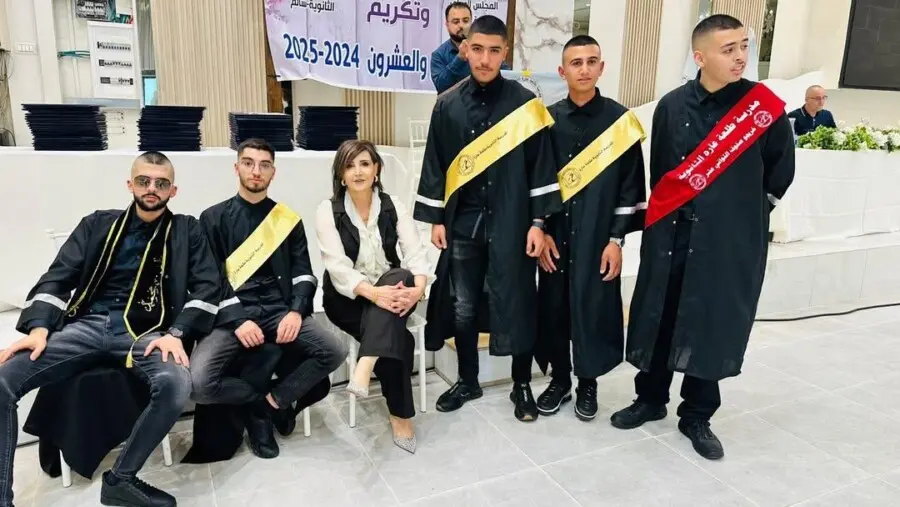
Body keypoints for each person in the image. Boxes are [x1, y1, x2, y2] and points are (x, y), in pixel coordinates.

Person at [611, 15, 795, 460]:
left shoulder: (762, 110)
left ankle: (696, 415)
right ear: (700, 56)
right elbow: (662, 174)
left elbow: (779, 173)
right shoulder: (671, 106)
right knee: (661, 313)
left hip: (726, 242)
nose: (740, 57)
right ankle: (650, 398)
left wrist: (742, 219)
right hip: (671, 235)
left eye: (743, 46)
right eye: (728, 49)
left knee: (711, 321)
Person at [0, 151, 222, 507]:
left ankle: (121, 480)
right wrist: (39, 327)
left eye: (161, 183)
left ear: (173, 191)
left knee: (177, 384)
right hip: (85, 326)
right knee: (3, 378)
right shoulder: (97, 224)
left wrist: (177, 333)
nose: (152, 189)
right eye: (144, 181)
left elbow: (209, 287)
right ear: (130, 184)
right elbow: (59, 276)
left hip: (147, 332)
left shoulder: (187, 230)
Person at [415, 14, 561, 422]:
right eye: (477, 49)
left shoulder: (526, 105)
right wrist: (436, 218)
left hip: (513, 223)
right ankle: (468, 380)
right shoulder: (446, 105)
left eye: (494, 51)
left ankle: (521, 384)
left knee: (517, 302)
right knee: (463, 306)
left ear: (505, 52)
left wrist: (539, 223)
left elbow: (541, 167)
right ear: (465, 49)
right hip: (463, 222)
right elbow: (435, 164)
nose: (484, 59)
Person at [189, 138, 347, 459]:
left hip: (278, 311)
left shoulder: (286, 220)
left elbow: (304, 273)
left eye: (264, 165)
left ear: (273, 172)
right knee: (199, 383)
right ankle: (253, 401)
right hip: (233, 314)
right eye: (248, 163)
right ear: (236, 168)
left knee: (335, 349)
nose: (256, 171)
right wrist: (237, 320)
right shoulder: (212, 218)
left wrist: (296, 311)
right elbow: (209, 281)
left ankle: (271, 403)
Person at [534, 35, 647, 421]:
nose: (584, 69)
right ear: (562, 71)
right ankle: (559, 379)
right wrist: (541, 229)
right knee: (554, 308)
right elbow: (538, 179)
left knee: (593, 308)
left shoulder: (620, 122)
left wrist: (616, 240)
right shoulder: (547, 121)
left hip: (599, 236)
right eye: (576, 63)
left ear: (602, 67)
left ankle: (588, 382)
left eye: (591, 61)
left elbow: (631, 186)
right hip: (556, 237)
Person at [315, 140, 431, 453]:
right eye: (349, 165)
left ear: (376, 169)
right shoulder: (328, 211)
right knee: (400, 339)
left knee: (400, 274)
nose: (358, 172)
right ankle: (401, 417)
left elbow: (415, 253)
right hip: (347, 298)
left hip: (393, 293)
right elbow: (338, 268)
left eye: (365, 164)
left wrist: (418, 290)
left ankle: (365, 363)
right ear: (341, 175)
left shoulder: (394, 206)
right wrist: (374, 293)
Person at [431, 2, 508, 94]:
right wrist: (459, 59)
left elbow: (506, 74)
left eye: (465, 21)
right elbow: (441, 87)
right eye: (456, 22)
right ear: (447, 26)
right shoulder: (439, 55)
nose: (461, 25)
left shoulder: (484, 48)